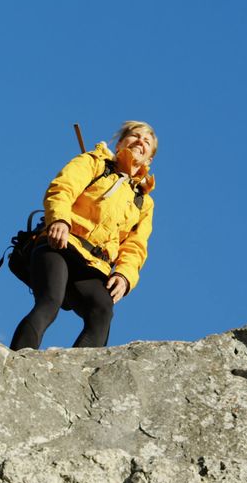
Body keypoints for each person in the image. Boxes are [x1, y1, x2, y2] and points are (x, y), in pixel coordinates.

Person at [9, 121, 157, 350]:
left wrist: (125, 276)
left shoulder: (143, 202)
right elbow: (62, 188)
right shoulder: (94, 162)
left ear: (149, 159)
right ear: (119, 144)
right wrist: (59, 219)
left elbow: (136, 246)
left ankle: (74, 376)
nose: (140, 141)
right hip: (61, 243)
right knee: (50, 301)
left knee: (102, 311)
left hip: (95, 264)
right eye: (135, 136)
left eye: (147, 141)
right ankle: (17, 361)